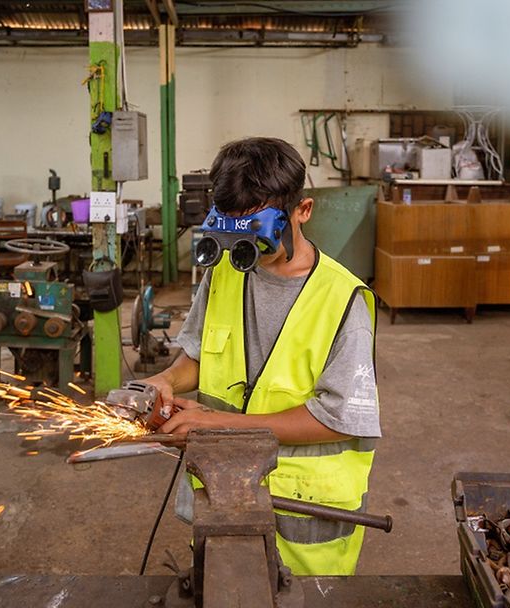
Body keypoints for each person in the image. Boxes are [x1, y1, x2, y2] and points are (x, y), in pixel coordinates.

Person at [144, 137, 381, 576]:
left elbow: (335, 418)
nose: (240, 251)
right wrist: (167, 381)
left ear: (302, 210)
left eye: (255, 234)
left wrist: (214, 424)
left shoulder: (343, 300)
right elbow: (199, 353)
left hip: (304, 518)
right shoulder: (226, 270)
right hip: (225, 494)